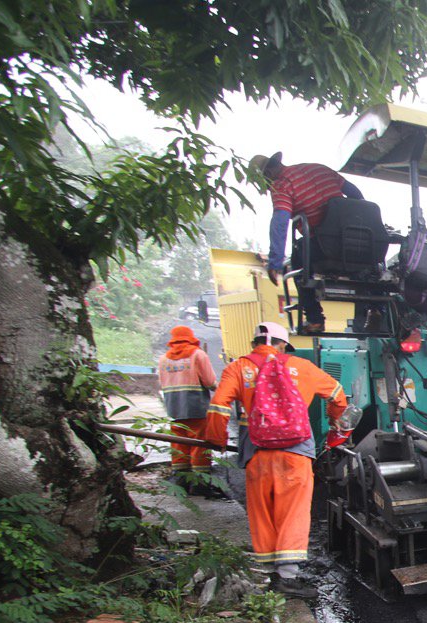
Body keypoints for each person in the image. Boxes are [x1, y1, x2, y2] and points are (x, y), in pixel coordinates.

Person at [206, 322, 349, 598]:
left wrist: (216, 438)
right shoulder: (301, 367)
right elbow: (337, 396)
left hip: (256, 451)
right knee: (293, 510)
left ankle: (271, 572)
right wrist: (334, 422)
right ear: (283, 345)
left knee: (262, 511)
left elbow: (218, 404)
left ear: (255, 342)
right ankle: (288, 577)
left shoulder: (240, 368)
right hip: (295, 453)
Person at [250, 151, 363, 334]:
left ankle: (315, 320)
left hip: (324, 247)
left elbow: (279, 224)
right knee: (365, 273)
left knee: (297, 260)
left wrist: (275, 263)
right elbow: (355, 194)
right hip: (355, 241)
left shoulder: (282, 186)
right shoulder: (318, 169)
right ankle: (374, 314)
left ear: (267, 175)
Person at [156, 325, 218, 491]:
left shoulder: (163, 359)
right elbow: (210, 382)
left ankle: (181, 481)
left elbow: (162, 383)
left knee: (178, 443)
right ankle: (200, 484)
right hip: (195, 405)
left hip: (174, 406)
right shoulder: (197, 355)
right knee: (199, 442)